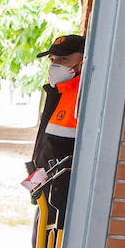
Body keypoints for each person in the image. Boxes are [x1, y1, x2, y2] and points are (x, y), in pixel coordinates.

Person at [28, 33, 84, 231]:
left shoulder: (81, 96)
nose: (55, 65)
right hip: (47, 191)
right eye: (53, 59)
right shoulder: (59, 91)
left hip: (61, 198)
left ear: (82, 60)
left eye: (64, 59)